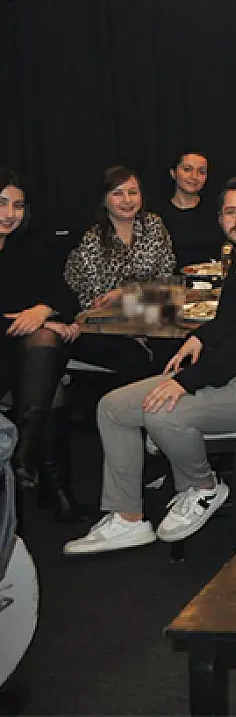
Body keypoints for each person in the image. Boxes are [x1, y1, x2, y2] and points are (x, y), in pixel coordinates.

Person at [64, 177, 236, 555]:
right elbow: (231, 321)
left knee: (163, 412)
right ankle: (127, 518)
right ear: (220, 218)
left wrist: (186, 381)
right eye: (232, 212)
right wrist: (200, 337)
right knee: (112, 407)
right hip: (233, 373)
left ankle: (203, 487)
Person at [0, 167, 83, 521]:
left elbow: (66, 297)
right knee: (50, 383)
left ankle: (25, 453)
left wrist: (43, 311)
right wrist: (41, 322)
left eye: (18, 206)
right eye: (2, 203)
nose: (10, 214)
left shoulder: (28, 247)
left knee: (44, 349)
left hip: (29, 353)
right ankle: (53, 487)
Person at [64, 167, 176, 381]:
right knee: (137, 359)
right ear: (104, 199)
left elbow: (166, 278)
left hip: (151, 317)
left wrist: (126, 293)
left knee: (179, 348)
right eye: (118, 193)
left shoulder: (154, 225)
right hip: (99, 326)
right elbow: (98, 302)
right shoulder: (91, 238)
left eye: (133, 192)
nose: (127, 200)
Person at [152, 152, 222, 269]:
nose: (194, 176)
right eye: (187, 169)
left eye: (201, 172)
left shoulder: (217, 209)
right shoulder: (155, 214)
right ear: (173, 173)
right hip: (169, 279)